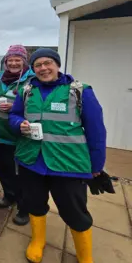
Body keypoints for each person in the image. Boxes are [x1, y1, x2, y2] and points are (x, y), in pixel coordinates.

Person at [9, 48, 107, 263]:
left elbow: (97, 132)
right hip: (32, 161)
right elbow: (14, 115)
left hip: (68, 165)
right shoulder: (27, 91)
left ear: (57, 65)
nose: (43, 68)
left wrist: (97, 165)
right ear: (32, 69)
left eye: (47, 63)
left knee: (74, 211)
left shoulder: (80, 91)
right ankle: (37, 241)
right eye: (38, 65)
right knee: (34, 203)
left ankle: (85, 256)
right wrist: (19, 124)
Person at [0, 45, 35, 226]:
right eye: (10, 60)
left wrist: (15, 108)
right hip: (0, 133)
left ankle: (24, 208)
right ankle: (9, 195)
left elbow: (36, 106)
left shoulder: (32, 79)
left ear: (24, 61)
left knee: (23, 174)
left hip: (20, 135)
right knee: (4, 168)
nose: (14, 63)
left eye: (18, 59)